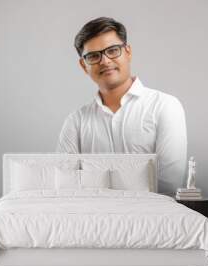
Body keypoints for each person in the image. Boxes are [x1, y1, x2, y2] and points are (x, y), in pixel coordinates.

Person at [56, 17, 187, 193]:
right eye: (94, 56)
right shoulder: (76, 122)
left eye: (112, 50)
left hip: (152, 216)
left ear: (128, 51)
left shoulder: (164, 106)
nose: (105, 61)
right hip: (92, 218)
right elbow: (66, 184)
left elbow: (170, 182)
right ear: (83, 65)